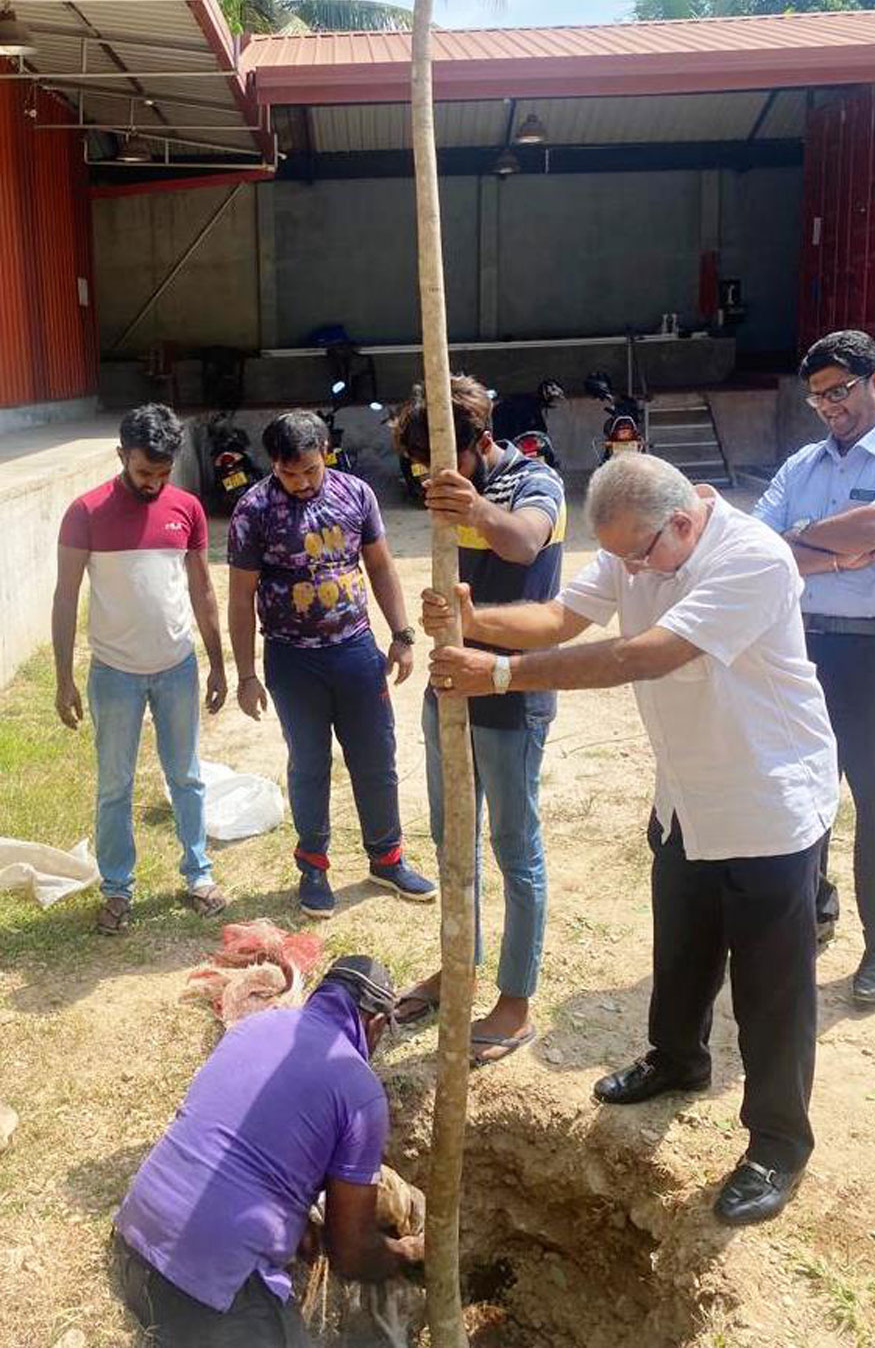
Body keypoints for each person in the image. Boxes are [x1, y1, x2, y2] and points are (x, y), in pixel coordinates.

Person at [423, 454, 838, 1225]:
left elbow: (641, 654)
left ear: (682, 523)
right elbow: (557, 616)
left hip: (765, 806)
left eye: (636, 555)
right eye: (617, 557)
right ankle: (677, 1060)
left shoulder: (752, 560)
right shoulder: (640, 547)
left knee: (771, 992)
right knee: (680, 950)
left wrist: (503, 675)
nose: (626, 572)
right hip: (685, 798)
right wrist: (479, 620)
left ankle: (778, 1142)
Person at [112, 955, 423, 1347]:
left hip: (131, 1249)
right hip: (202, 1298)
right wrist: (406, 1256)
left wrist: (298, 1226)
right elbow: (351, 1253)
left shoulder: (253, 1027)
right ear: (375, 1024)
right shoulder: (360, 1092)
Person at [392, 375, 566, 1066]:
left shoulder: (535, 482)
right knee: (450, 840)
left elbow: (524, 544)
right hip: (449, 688)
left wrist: (476, 509)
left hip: (510, 692)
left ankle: (515, 1002)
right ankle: (456, 967)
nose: (434, 482)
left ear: (484, 443)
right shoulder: (444, 484)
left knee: (514, 850)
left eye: (449, 466)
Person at [227, 411, 434, 918]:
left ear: (326, 451)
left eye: (310, 471)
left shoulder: (355, 494)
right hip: (293, 661)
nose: (301, 483)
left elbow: (381, 566)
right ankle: (314, 866)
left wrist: (402, 636)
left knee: (376, 758)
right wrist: (247, 674)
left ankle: (387, 859)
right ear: (274, 464)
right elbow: (240, 598)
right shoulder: (253, 510)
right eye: (289, 473)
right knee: (310, 764)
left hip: (356, 652)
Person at [754, 330, 875, 1007]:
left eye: (839, 391)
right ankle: (813, 909)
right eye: (817, 398)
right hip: (804, 643)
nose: (828, 407)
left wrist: (806, 541)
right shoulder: (802, 465)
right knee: (804, 787)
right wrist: (835, 554)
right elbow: (758, 548)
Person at [53, 404, 227, 935]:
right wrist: (63, 677)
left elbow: (201, 589)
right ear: (121, 456)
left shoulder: (187, 508)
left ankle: (198, 875)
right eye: (143, 471)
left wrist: (217, 664)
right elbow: (66, 596)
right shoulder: (85, 511)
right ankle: (116, 888)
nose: (153, 482)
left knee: (187, 777)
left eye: (162, 472)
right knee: (114, 785)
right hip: (115, 673)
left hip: (176, 666)